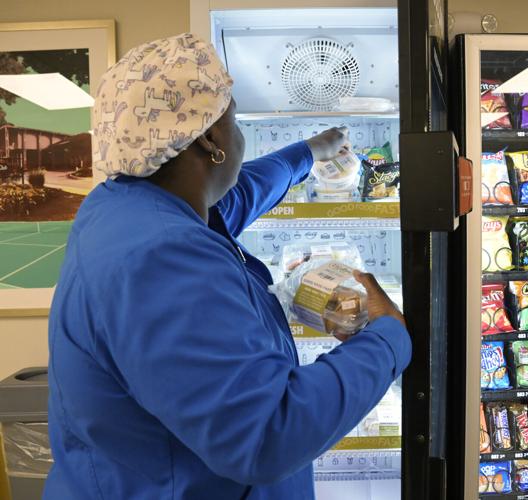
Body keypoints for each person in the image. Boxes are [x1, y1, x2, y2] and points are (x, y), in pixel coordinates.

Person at [44, 33, 411, 500]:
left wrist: (307, 153)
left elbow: (231, 198)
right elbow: (268, 436)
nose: (238, 132)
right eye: (233, 117)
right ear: (211, 137)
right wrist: (388, 337)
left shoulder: (126, 206)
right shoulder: (161, 259)